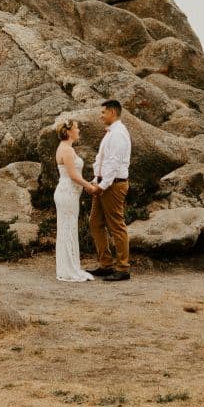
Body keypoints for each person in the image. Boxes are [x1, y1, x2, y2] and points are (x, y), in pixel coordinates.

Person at [87, 99, 132, 281]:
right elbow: (102, 159)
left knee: (116, 225)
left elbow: (113, 163)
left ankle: (123, 268)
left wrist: (102, 185)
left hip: (113, 185)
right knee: (95, 222)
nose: (101, 115)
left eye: (103, 112)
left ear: (112, 112)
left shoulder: (118, 134)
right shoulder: (110, 133)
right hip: (104, 183)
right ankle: (105, 264)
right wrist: (95, 180)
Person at [53, 118, 98, 282]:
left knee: (68, 229)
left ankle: (68, 267)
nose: (78, 131)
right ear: (69, 131)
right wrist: (89, 186)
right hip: (67, 193)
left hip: (69, 193)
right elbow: (72, 175)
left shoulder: (67, 148)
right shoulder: (66, 150)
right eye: (77, 128)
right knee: (67, 229)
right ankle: (68, 269)